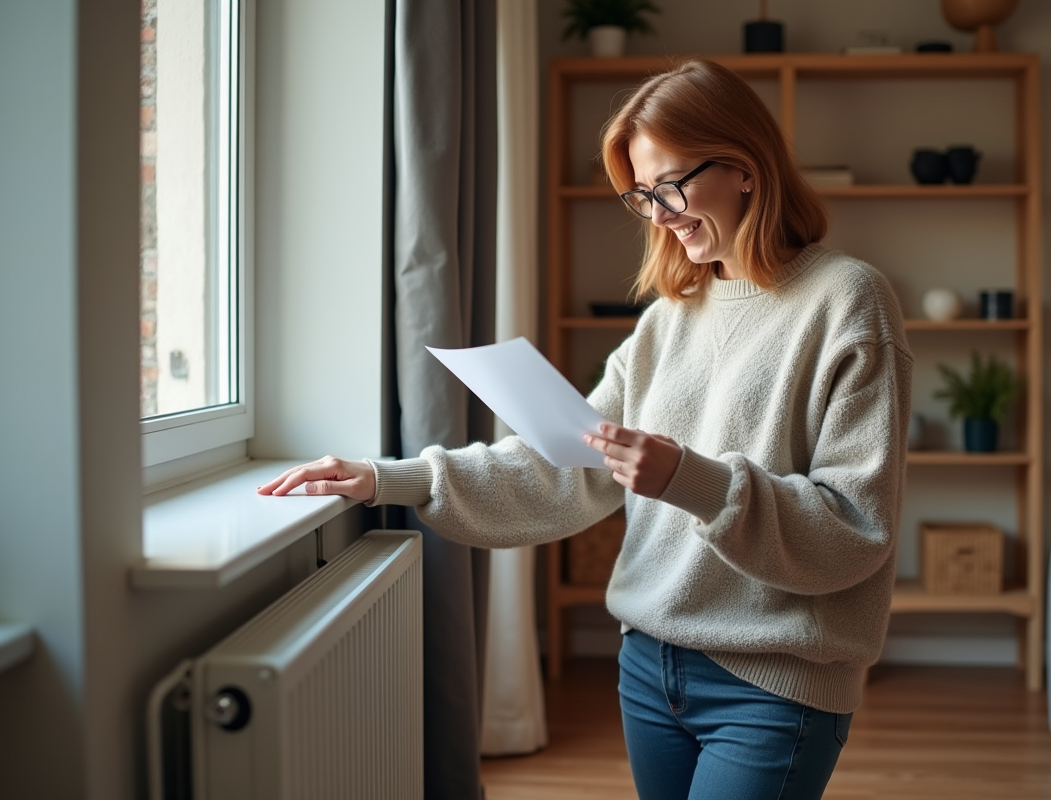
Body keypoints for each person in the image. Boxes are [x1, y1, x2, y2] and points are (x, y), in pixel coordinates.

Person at [259, 58, 912, 800]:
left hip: (775, 679)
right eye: (641, 195)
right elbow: (567, 468)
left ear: (745, 169)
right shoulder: (669, 319)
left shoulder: (848, 299)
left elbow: (855, 529)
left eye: (671, 185)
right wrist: (392, 477)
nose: (659, 214)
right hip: (648, 667)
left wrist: (688, 479)